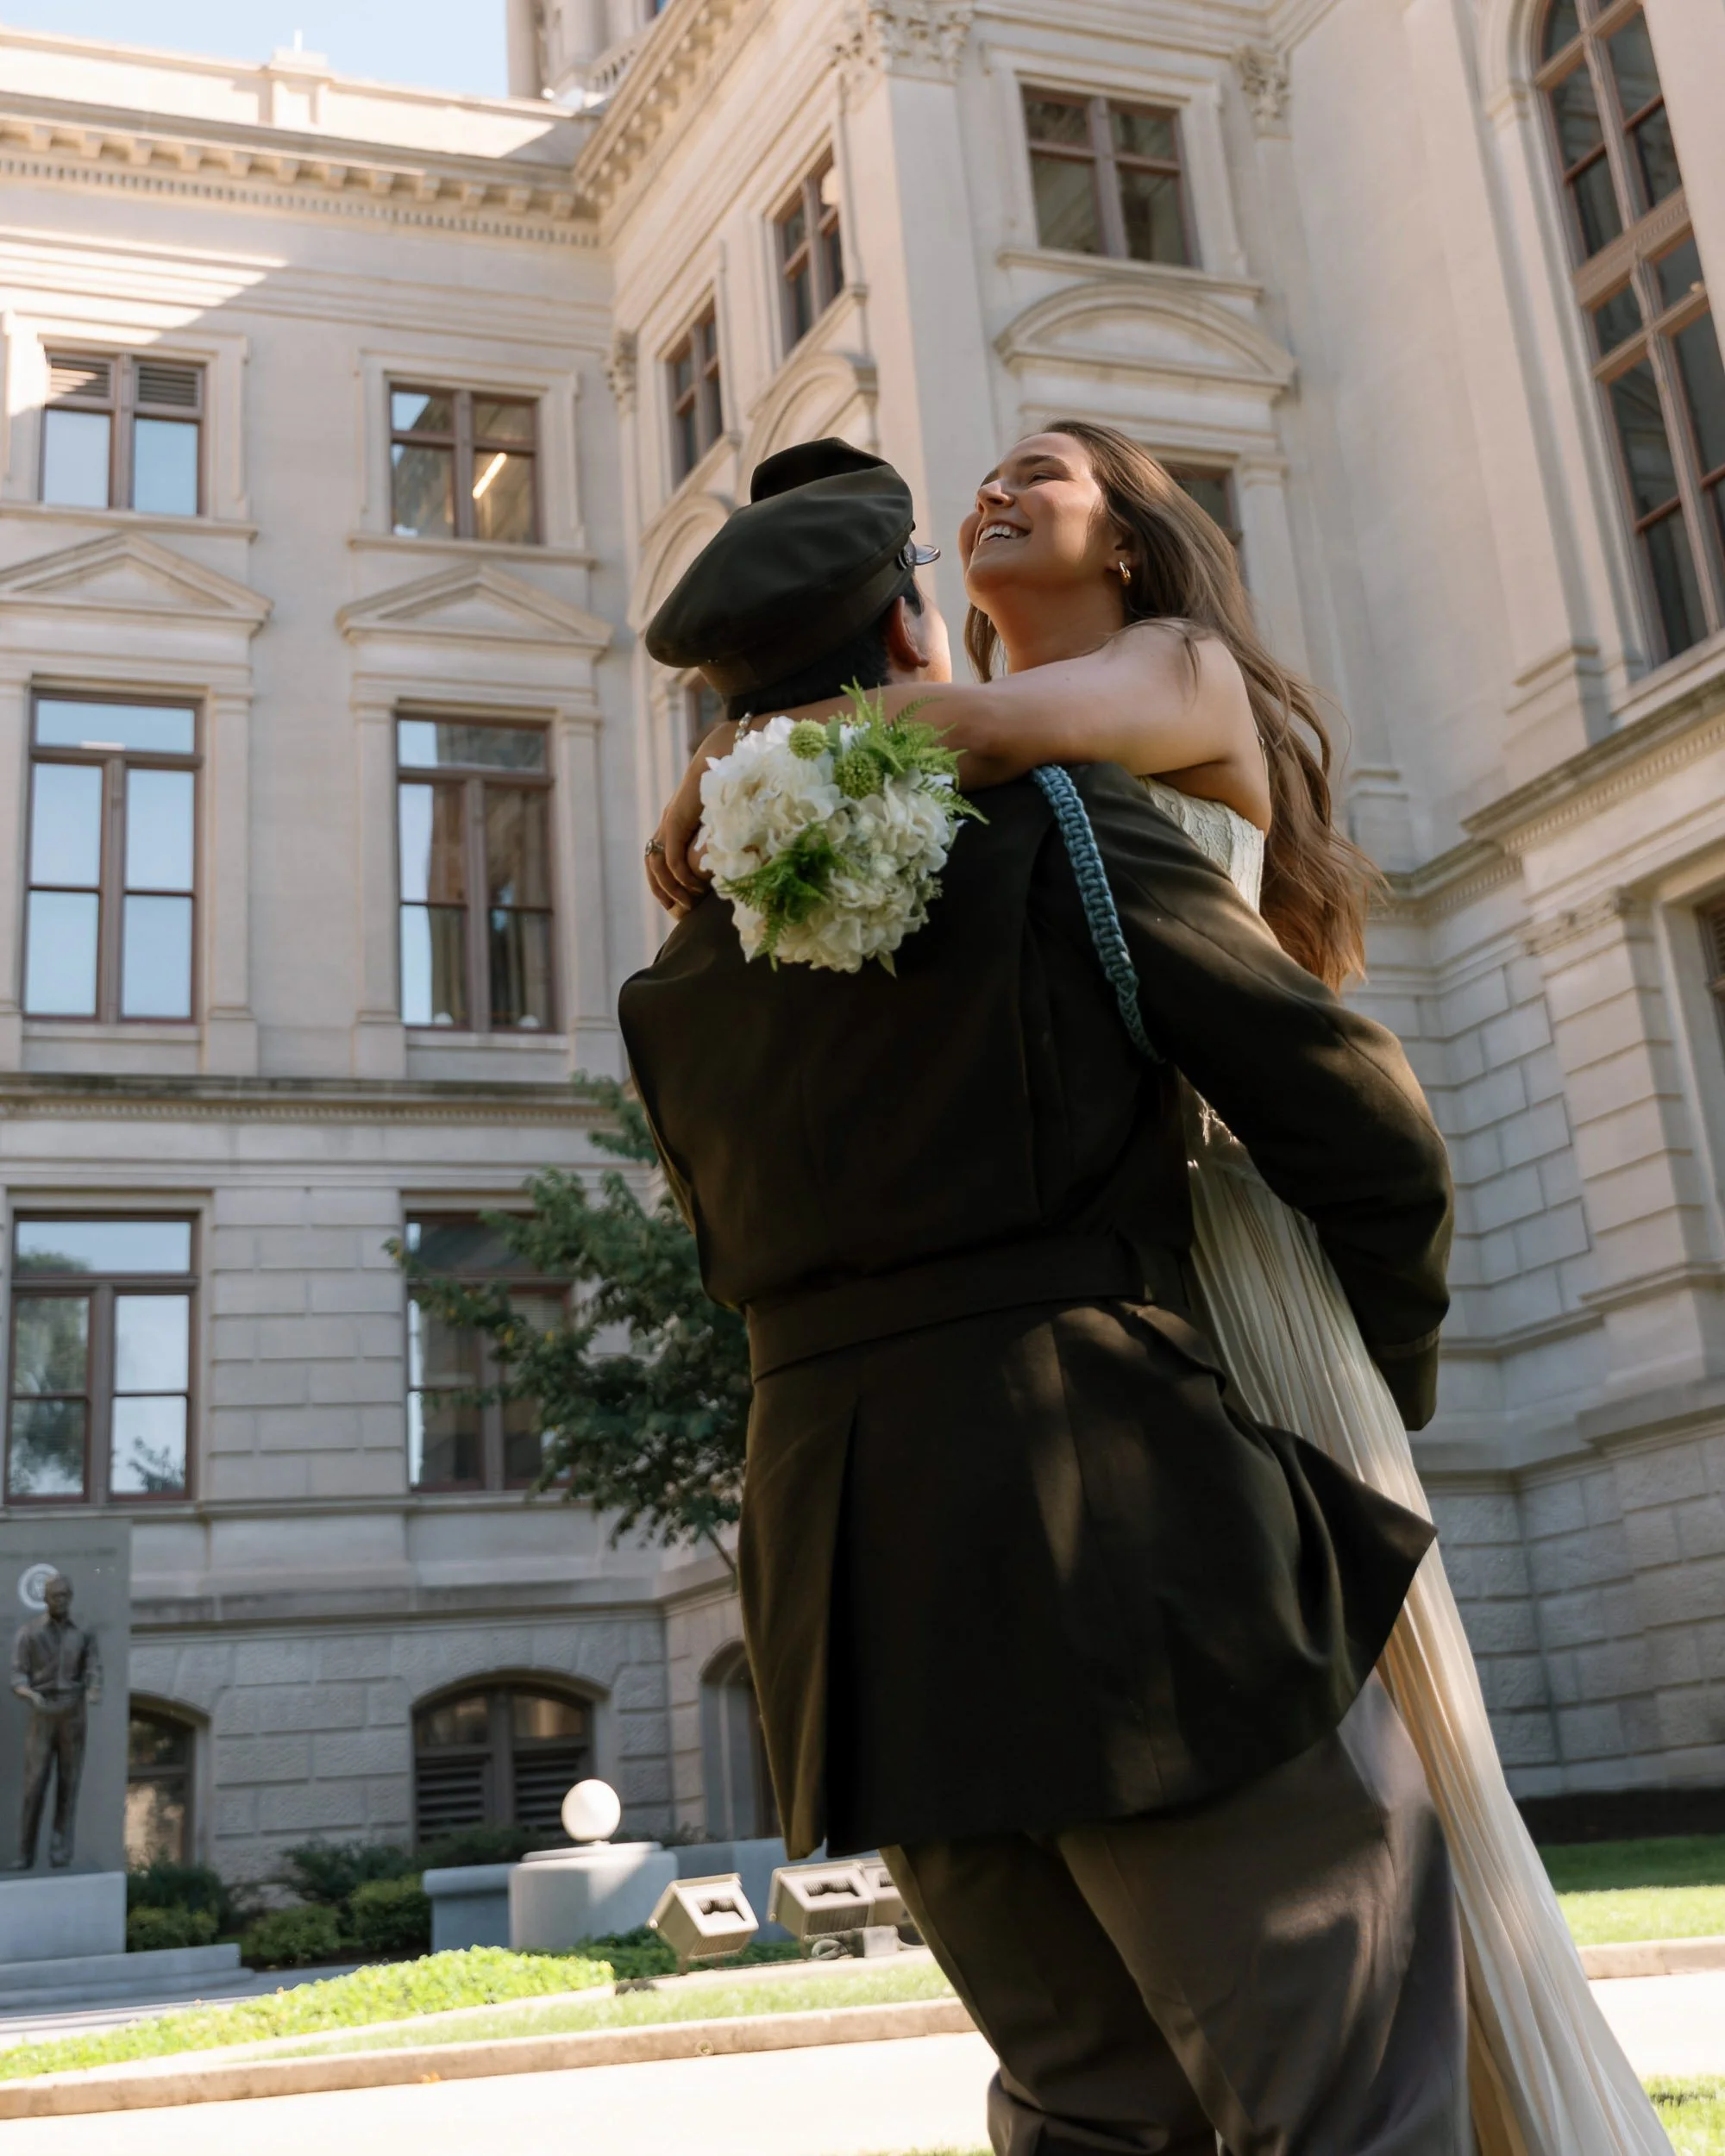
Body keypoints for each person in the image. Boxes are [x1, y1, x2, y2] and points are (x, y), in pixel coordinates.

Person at [646, 424, 1671, 2156]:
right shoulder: (1050, 817)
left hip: (851, 1601)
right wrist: (1342, 1414)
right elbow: (1366, 1134)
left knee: (1099, 2116)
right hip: (1137, 1531)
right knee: (1338, 2103)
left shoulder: (686, 953)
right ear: (909, 633)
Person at [10, 1569, 102, 1871]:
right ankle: (25, 1853)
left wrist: (93, 1688)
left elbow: (93, 1666)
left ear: (70, 1597)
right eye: (54, 1596)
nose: (60, 1601)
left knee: (69, 1783)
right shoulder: (29, 1633)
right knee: (34, 1785)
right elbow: (17, 1675)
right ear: (45, 1599)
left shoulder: (84, 1631)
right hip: (43, 1710)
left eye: (64, 1595)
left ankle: (61, 1852)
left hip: (74, 1712)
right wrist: (29, 1694)